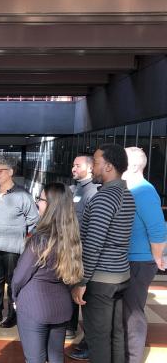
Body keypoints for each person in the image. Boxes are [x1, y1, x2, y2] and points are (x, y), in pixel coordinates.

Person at [71, 143, 136, 363]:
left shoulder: (104, 198)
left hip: (100, 281)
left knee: (98, 339)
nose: (93, 167)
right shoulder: (126, 194)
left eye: (96, 163)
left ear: (108, 166)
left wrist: (82, 281)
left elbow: (93, 244)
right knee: (116, 334)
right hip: (120, 276)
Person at [12, 183, 83, 363]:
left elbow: (20, 276)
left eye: (41, 199)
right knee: (56, 356)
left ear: (52, 205)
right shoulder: (71, 238)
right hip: (61, 306)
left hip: (33, 306)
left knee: (35, 359)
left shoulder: (40, 239)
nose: (37, 203)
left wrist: (14, 296)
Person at [122, 147, 167, 363]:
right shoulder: (131, 190)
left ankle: (132, 358)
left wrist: (157, 257)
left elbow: (158, 230)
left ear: (132, 166)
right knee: (125, 312)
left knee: (133, 314)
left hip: (139, 262)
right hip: (130, 260)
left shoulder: (144, 191)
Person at [0, 155, 39, 328]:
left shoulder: (23, 195)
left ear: (11, 172)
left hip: (13, 248)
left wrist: (25, 239)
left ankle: (13, 314)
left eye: (1, 171)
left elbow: (34, 220)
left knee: (12, 281)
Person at [66, 154, 99, 346]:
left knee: (86, 295)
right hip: (71, 251)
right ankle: (70, 327)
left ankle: (89, 340)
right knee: (70, 288)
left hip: (85, 252)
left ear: (90, 167)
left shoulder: (93, 191)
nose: (73, 168)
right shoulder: (74, 189)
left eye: (77, 165)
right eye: (73, 165)